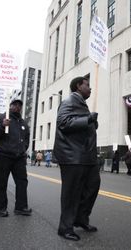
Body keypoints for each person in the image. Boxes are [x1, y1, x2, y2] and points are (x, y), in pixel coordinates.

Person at [53, 76, 100, 241]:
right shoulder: (69, 101)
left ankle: (81, 219)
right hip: (72, 156)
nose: (90, 88)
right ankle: (65, 227)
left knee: (92, 187)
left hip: (87, 156)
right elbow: (63, 123)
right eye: (87, 85)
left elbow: (82, 125)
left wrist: (92, 122)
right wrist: (87, 119)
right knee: (71, 193)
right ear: (79, 86)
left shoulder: (82, 104)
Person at [0, 99, 32, 217]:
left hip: (19, 157)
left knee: (22, 182)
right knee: (2, 183)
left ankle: (21, 207)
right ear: (10, 106)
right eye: (15, 105)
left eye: (20, 105)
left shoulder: (23, 123)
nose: (17, 107)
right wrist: (2, 126)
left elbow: (27, 138)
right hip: (3, 156)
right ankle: (1, 208)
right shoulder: (1, 117)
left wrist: (23, 149)